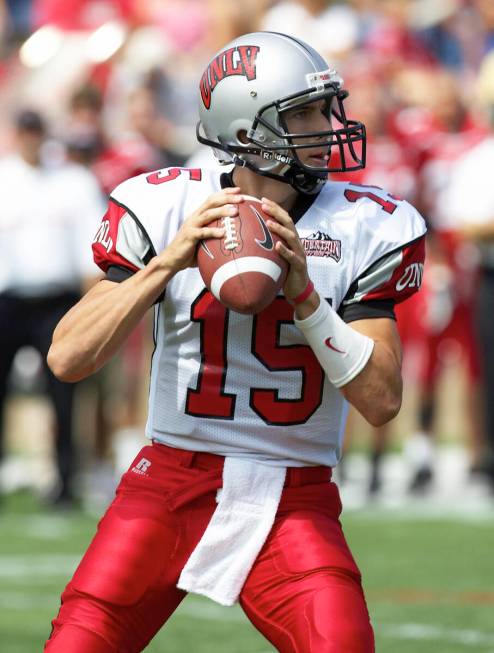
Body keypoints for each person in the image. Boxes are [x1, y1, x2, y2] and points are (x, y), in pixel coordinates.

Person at [44, 32, 426, 652]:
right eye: (302, 113)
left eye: (323, 108)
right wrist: (166, 264)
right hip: (168, 479)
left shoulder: (367, 222)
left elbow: (382, 401)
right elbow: (66, 357)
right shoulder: (165, 203)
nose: (326, 126)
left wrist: (306, 297)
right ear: (249, 131)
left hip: (294, 491)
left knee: (342, 644)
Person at [0, 109, 104, 506]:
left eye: (35, 131)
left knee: (64, 393)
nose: (30, 138)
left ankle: (65, 481)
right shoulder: (6, 177)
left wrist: (88, 307)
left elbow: (89, 250)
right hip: (8, 298)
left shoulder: (71, 181)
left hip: (57, 300)